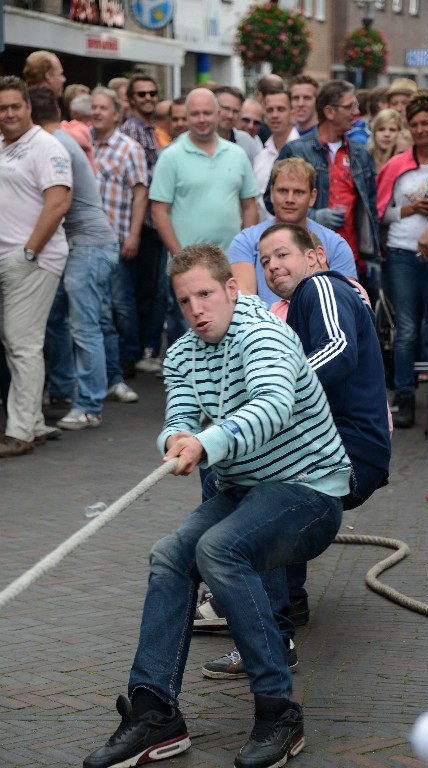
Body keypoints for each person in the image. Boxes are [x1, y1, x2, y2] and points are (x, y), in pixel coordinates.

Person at [83, 243, 352, 768]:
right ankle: (155, 712)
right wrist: (175, 440)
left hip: (309, 490)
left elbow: (272, 404)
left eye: (205, 294)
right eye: (185, 301)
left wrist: (209, 444)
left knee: (220, 549)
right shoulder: (183, 353)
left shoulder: (265, 335)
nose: (196, 309)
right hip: (243, 489)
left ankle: (279, 714)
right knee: (169, 555)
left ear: (232, 289)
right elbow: (179, 414)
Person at [200, 223, 391, 677]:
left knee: (252, 482)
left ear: (315, 256)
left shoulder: (322, 285)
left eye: (282, 254)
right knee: (231, 470)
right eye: (264, 261)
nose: (272, 266)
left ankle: (268, 635)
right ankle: (289, 600)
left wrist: (272, 395)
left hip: (348, 450)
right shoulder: (303, 305)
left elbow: (339, 349)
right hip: (343, 448)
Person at [29, 87, 132, 432]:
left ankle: (89, 406)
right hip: (82, 245)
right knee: (56, 317)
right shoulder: (58, 139)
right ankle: (62, 390)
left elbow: (58, 203)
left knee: (84, 325)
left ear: (30, 114)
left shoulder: (55, 144)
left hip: (88, 245)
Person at [377, 90, 428, 429]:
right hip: (402, 253)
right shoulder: (397, 165)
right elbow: (380, 214)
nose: (421, 130)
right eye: (414, 125)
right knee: (406, 330)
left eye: (426, 123)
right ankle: (405, 398)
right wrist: (411, 209)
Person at [0, 76, 72, 458]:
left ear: (29, 107)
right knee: (18, 344)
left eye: (15, 106)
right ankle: (33, 423)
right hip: (11, 259)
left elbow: (58, 203)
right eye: (2, 108)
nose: (9, 113)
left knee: (22, 344)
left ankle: (21, 432)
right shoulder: (4, 145)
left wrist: (28, 254)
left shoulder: (46, 146)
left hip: (33, 259)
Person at [264, 80, 381, 302]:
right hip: (305, 257)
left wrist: (372, 255)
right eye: (349, 106)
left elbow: (371, 211)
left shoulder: (360, 154)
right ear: (329, 111)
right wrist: (312, 215)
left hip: (350, 257)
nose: (355, 112)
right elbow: (270, 201)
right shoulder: (296, 150)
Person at [229, 157, 356, 307]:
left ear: (312, 196)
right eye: (283, 191)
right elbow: (245, 301)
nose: (290, 199)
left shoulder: (335, 244)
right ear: (271, 193)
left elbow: (346, 303)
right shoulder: (245, 240)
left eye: (298, 192)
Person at [150, 88, 258, 257]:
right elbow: (158, 212)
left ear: (218, 113)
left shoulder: (237, 154)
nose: (201, 119)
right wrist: (180, 258)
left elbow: (250, 206)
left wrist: (245, 252)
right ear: (187, 116)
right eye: (195, 114)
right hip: (188, 266)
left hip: (232, 263)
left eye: (207, 113)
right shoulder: (170, 157)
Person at [91, 86, 147, 388]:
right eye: (93, 107)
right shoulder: (84, 143)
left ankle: (127, 357)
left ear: (116, 113)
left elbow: (141, 193)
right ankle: (108, 363)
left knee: (121, 304)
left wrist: (134, 234)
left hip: (117, 239)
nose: (96, 112)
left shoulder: (129, 148)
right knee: (96, 307)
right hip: (86, 242)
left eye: (102, 108)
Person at [122, 75, 167, 373]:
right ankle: (133, 353)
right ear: (132, 99)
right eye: (142, 94)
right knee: (139, 291)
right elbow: (141, 183)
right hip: (140, 223)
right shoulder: (131, 131)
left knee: (151, 289)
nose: (148, 97)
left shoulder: (152, 130)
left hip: (154, 221)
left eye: (152, 92)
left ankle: (139, 350)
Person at [254, 89, 299, 221]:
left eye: (280, 109)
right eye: (270, 110)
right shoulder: (260, 157)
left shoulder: (307, 151)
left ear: (292, 113)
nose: (275, 115)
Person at [213, 85, 260, 165]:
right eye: (226, 109)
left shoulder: (246, 142)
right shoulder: (199, 140)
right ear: (213, 107)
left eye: (235, 111)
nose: (230, 115)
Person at [368, 108, 402, 172]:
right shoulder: (364, 159)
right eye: (381, 129)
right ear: (374, 133)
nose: (386, 134)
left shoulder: (405, 160)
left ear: (400, 132)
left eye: (392, 130)